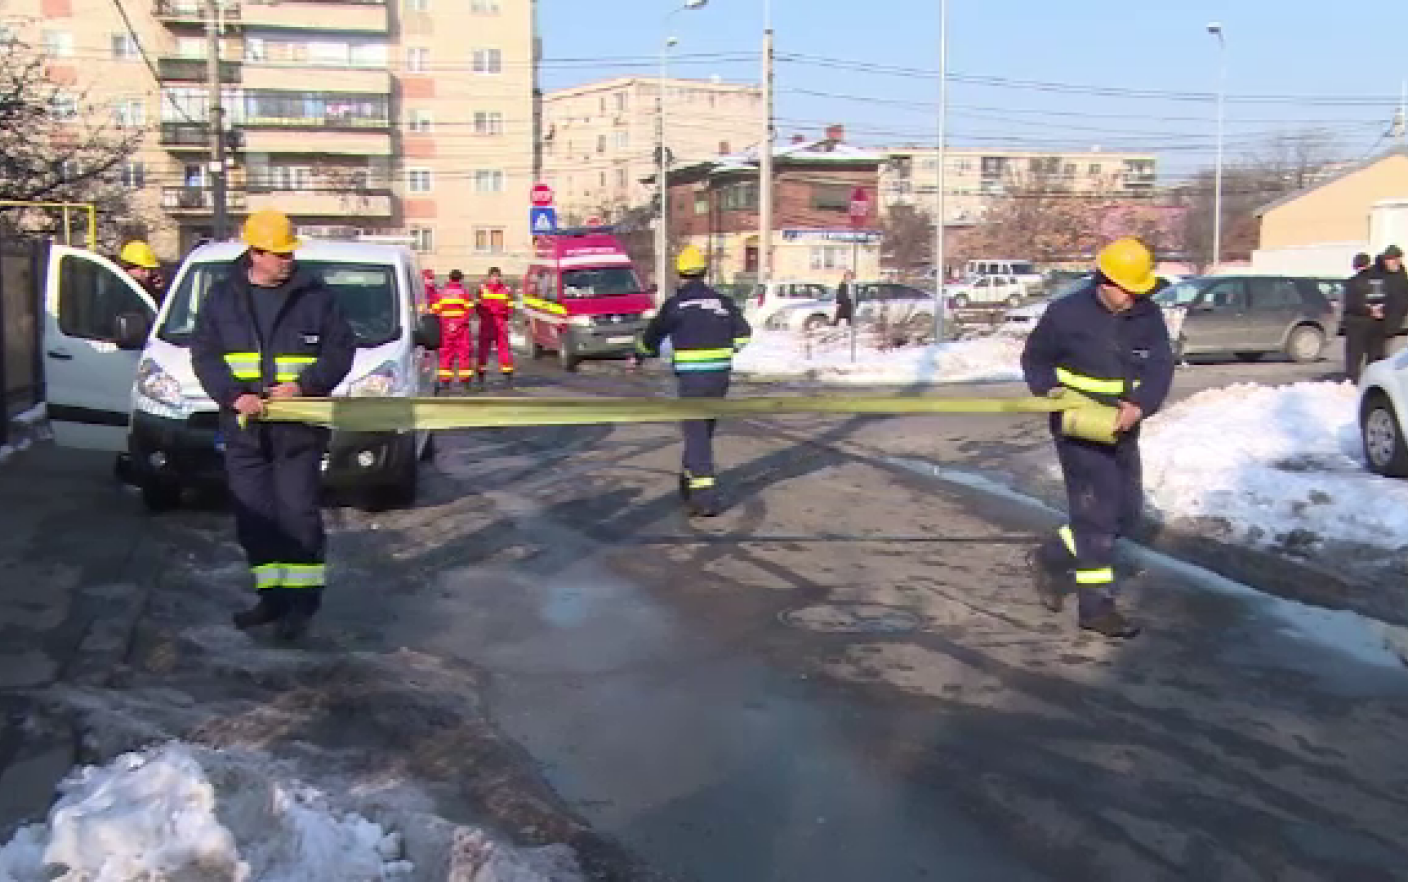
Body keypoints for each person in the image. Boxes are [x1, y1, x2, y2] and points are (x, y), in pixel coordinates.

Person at [190, 209, 356, 642]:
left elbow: (341, 351)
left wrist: (304, 386)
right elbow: (204, 354)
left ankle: (302, 605)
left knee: (298, 515)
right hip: (246, 429)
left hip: (297, 429)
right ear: (256, 253)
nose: (288, 260)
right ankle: (272, 598)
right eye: (280, 254)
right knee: (255, 518)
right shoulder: (223, 298)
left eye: (289, 253)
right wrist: (232, 394)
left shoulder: (315, 297)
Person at [1021, 237, 1174, 639]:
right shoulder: (1065, 314)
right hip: (1078, 425)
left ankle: (1051, 557)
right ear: (1104, 281)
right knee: (1098, 516)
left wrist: (1141, 405)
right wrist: (1048, 388)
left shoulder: (1148, 316)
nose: (1133, 298)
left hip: (1122, 425)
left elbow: (1160, 367)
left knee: (1127, 514)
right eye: (1128, 289)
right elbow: (1035, 358)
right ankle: (1096, 607)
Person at [632, 246, 751, 518]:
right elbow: (744, 334)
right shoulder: (722, 302)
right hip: (720, 378)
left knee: (696, 435)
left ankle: (704, 497)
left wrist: (639, 355)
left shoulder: (676, 305)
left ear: (680, 273)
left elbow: (652, 337)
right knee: (702, 432)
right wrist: (725, 351)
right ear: (704, 272)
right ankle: (688, 479)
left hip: (692, 380)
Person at [430, 269, 474, 392]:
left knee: (446, 355)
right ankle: (465, 383)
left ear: (449, 278)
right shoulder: (464, 293)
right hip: (461, 330)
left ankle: (445, 383)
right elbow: (469, 312)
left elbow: (435, 311)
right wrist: (458, 323)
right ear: (461, 279)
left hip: (445, 329)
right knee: (463, 355)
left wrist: (447, 324)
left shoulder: (441, 293)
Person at [1342, 252, 1381, 383]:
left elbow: (1351, 305)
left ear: (1356, 266)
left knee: (1354, 359)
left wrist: (1367, 310)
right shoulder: (1378, 282)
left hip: (1356, 323)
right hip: (1375, 323)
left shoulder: (1351, 283)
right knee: (1374, 358)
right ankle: (1373, 383)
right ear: (1368, 264)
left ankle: (1352, 384)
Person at [475, 267, 515, 388]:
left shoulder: (505, 290)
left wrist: (504, 317)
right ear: (489, 277)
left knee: (504, 350)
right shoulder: (482, 289)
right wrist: (485, 316)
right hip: (487, 323)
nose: (495, 278)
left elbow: (510, 307)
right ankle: (481, 376)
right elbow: (477, 306)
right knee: (483, 351)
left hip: (500, 323)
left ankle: (508, 377)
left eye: (497, 276)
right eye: (493, 276)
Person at [1374, 245, 1408, 358]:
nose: (1388, 262)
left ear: (1398, 259)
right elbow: (1373, 293)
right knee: (1376, 351)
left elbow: (1404, 293)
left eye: (1390, 259)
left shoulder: (1402, 274)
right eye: (1386, 259)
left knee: (1386, 351)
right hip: (1378, 319)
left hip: (1395, 319)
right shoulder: (1378, 273)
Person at [118, 240, 166, 304]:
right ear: (126, 268)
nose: (148, 274)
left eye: (150, 269)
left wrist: (159, 293)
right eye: (143, 270)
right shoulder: (117, 295)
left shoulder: (152, 289)